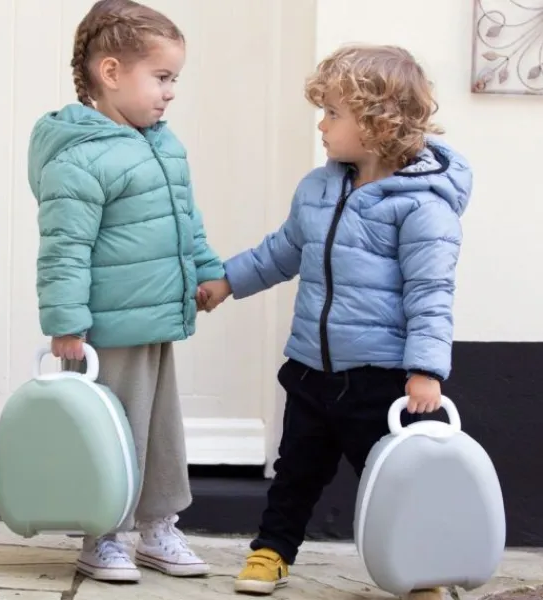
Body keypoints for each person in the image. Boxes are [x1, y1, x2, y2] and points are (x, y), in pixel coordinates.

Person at [198, 44, 472, 597]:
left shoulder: (422, 206)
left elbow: (430, 294)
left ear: (377, 121)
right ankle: (272, 551)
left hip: (381, 378)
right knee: (295, 471)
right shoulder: (318, 188)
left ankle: (421, 571)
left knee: (397, 480)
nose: (321, 125)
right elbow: (282, 251)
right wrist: (227, 281)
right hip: (311, 369)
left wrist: (425, 371)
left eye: (332, 113)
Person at [27, 0, 224, 584]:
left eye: (174, 79)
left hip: (157, 316)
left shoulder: (162, 144)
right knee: (112, 432)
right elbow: (64, 248)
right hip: (106, 328)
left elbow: (187, 219)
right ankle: (102, 533)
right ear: (110, 72)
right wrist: (66, 322)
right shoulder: (80, 158)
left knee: (160, 433)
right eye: (161, 77)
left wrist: (207, 269)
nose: (170, 93)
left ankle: (158, 525)